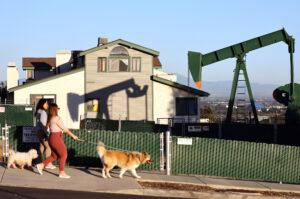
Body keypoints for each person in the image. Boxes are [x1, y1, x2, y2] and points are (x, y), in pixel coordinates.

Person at [36, 103, 78, 178]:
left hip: (51, 138)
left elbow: (45, 130)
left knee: (55, 156)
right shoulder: (57, 118)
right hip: (56, 138)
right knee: (64, 155)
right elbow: (65, 129)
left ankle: (41, 165)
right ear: (55, 109)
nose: (58, 109)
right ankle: (61, 173)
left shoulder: (51, 118)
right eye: (57, 108)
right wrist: (73, 136)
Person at [35, 99, 56, 169]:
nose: (47, 105)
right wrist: (46, 133)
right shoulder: (43, 112)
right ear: (42, 104)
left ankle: (38, 163)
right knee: (48, 147)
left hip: (38, 131)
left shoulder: (38, 112)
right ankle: (48, 163)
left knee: (42, 147)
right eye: (46, 104)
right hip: (42, 131)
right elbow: (44, 124)